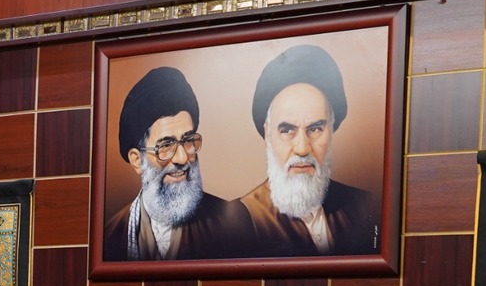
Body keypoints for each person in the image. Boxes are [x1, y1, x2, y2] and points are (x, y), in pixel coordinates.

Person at [235, 44, 379, 256]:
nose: (302, 149)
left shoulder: (365, 206)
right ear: (268, 135)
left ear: (331, 131)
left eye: (315, 129)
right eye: (287, 130)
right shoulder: (241, 220)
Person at [102, 66, 252, 261]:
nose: (182, 158)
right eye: (166, 145)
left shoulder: (231, 222)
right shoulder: (111, 237)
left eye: (188, 141)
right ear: (137, 160)